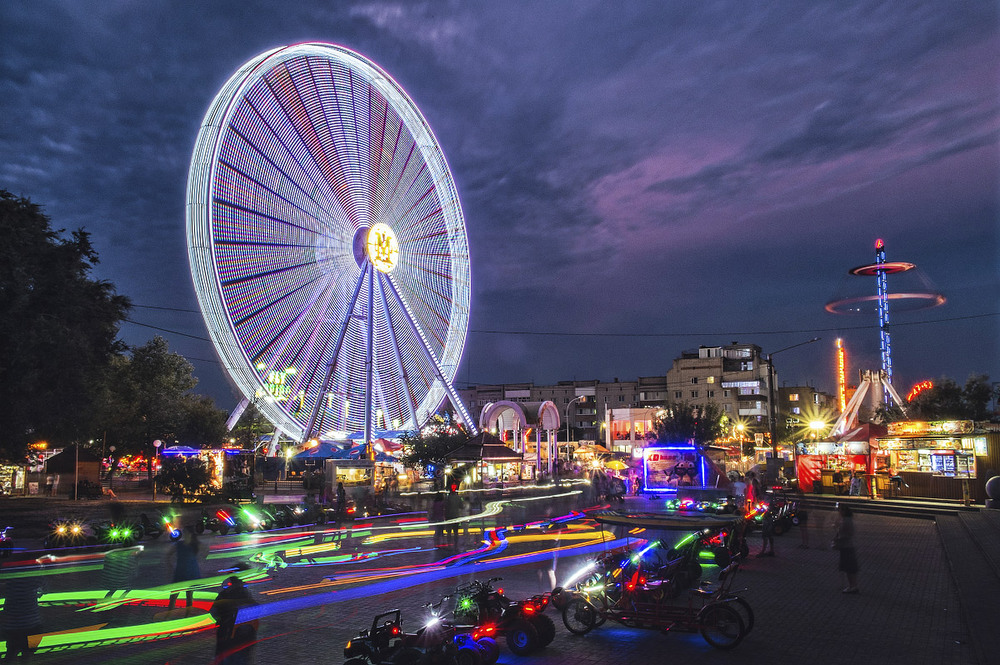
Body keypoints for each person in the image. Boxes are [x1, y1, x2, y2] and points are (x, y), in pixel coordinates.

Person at [210, 576, 259, 665]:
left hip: (227, 634)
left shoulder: (224, 595)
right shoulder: (246, 595)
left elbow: (213, 611)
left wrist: (221, 621)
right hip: (244, 635)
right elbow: (256, 610)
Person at [1, 575, 43, 659]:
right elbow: (43, 588)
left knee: (11, 652)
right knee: (27, 653)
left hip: (12, 622)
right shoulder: (34, 574)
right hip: (30, 621)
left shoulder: (10, 573)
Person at [168, 530, 201, 612]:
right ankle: (170, 614)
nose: (185, 535)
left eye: (187, 533)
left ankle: (186, 615)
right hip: (182, 572)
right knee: (174, 595)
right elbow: (168, 555)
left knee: (188, 595)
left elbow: (205, 551)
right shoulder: (180, 544)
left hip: (188, 573)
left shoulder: (193, 545)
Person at [833, 503, 860, 594]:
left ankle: (852, 586)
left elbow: (843, 534)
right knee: (849, 567)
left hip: (846, 546)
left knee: (849, 567)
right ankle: (853, 585)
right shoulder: (846, 520)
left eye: (840, 510)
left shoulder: (846, 521)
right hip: (848, 545)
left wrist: (837, 529)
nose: (839, 512)